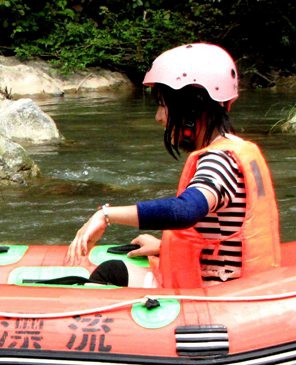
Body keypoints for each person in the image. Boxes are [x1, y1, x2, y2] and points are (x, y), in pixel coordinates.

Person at [66, 43, 280, 288]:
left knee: (109, 273)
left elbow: (185, 211)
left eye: (163, 105)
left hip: (214, 294)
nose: (158, 117)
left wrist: (105, 215)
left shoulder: (218, 162)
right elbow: (223, 234)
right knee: (116, 270)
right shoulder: (235, 149)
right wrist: (163, 247)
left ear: (191, 109)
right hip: (233, 279)